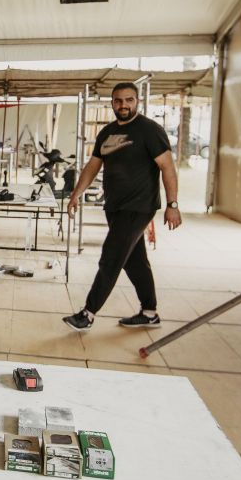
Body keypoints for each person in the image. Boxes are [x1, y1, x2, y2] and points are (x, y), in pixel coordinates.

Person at [62, 82, 182, 332]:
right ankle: (149, 313)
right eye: (118, 100)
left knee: (112, 257)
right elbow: (93, 166)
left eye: (129, 100)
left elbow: (167, 167)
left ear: (137, 101)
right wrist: (76, 194)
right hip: (115, 206)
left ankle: (88, 314)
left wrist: (173, 204)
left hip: (139, 206)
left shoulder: (150, 130)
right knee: (134, 261)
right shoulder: (107, 133)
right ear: (112, 103)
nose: (123, 105)